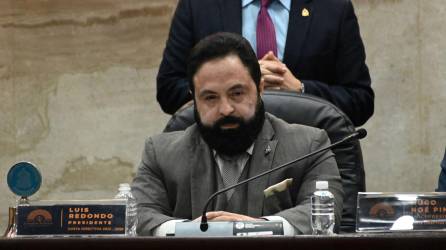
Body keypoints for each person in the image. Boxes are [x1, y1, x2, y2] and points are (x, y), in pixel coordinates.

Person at [133, 32, 343, 236]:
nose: (226, 109)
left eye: (237, 93)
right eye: (210, 98)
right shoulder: (160, 154)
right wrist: (192, 231)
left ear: (260, 88)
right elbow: (138, 215)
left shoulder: (310, 146)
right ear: (194, 98)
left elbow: (324, 212)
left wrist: (254, 228)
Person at [156, 0, 374, 126]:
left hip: (307, 160)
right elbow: (169, 91)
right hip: (218, 159)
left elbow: (360, 101)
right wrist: (236, 82)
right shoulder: (199, 6)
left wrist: (301, 90)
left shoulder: (333, 8)